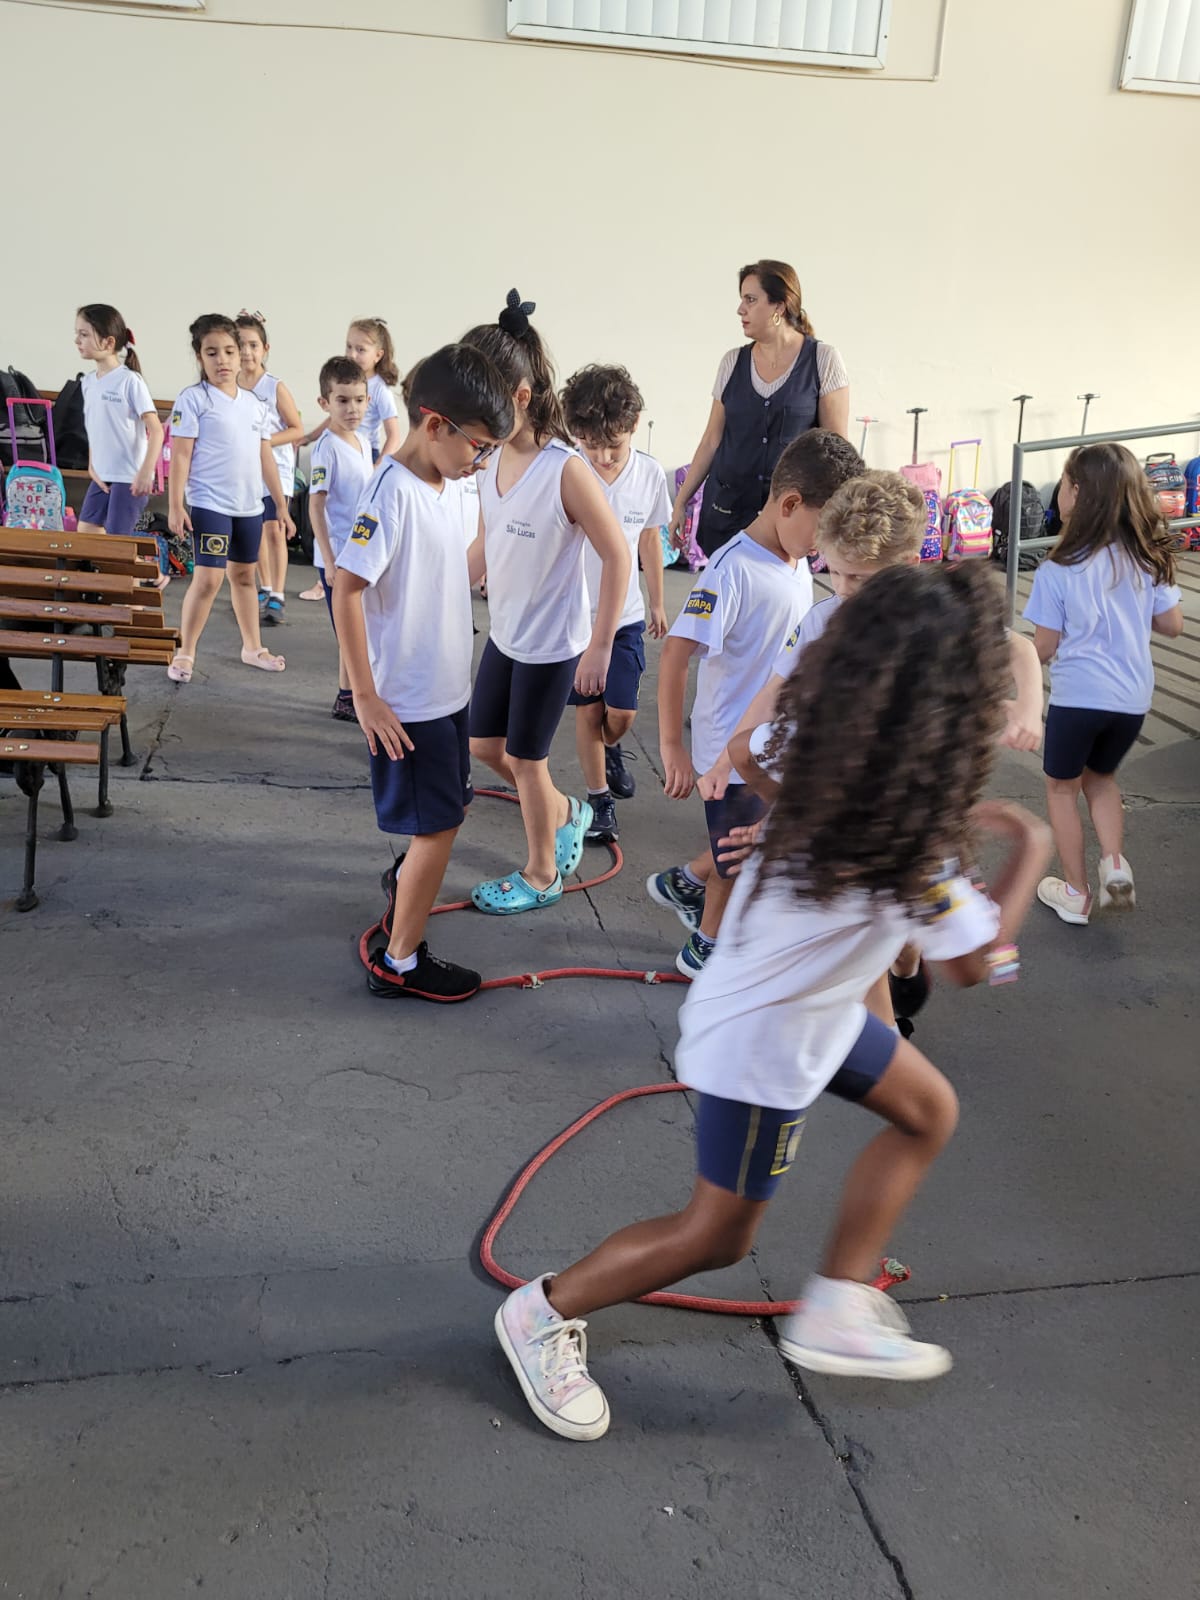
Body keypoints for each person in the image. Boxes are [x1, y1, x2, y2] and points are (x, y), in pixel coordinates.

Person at [493, 562, 1051, 1442]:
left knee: (928, 1111)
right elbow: (980, 967)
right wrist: (1031, 846)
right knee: (717, 1237)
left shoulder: (829, 751)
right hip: (765, 1041)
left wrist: (786, 819)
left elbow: (752, 752)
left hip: (805, 1010)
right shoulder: (912, 844)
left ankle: (838, 1302)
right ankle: (541, 1312)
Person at [730, 470, 1046, 1031]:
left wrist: (1028, 708)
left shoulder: (933, 620)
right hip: (867, 802)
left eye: (859, 577)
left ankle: (903, 971)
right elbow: (768, 704)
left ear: (906, 563)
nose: (843, 589)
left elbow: (1017, 646)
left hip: (901, 796)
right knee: (888, 921)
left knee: (896, 918)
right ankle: (893, 995)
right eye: (834, 572)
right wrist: (1033, 846)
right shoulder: (826, 620)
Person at [333, 344, 513, 1002]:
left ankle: (405, 891)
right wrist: (365, 695)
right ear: (435, 424)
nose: (481, 461)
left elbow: (442, 571)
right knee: (438, 826)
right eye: (479, 446)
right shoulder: (391, 493)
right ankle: (399, 962)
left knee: (446, 813)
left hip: (447, 690)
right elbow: (346, 589)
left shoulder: (446, 484)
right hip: (410, 702)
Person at [648, 429, 863, 976]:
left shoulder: (796, 561)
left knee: (757, 842)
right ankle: (705, 946)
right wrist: (672, 746)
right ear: (790, 504)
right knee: (740, 857)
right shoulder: (732, 569)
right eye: (823, 528)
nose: (826, 546)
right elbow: (675, 653)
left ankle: (687, 882)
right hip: (733, 750)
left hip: (775, 744)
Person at [460, 290, 631, 915]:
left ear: (520, 397)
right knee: (484, 746)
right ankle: (564, 810)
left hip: (553, 645)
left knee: (526, 760)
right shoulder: (490, 460)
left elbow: (617, 556)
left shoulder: (565, 469)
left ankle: (541, 875)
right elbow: (485, 542)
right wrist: (440, 594)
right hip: (507, 633)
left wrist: (601, 646)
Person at [1023, 440, 1183, 924]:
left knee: (1061, 789)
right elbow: (1172, 624)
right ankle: (1114, 863)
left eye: (1063, 483)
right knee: (1102, 779)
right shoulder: (1148, 559)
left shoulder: (1057, 570)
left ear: (1077, 492)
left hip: (1078, 699)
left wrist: (1008, 663)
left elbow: (1044, 648)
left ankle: (1076, 892)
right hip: (1132, 700)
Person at [669, 260, 850, 558]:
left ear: (779, 305)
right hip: (726, 516)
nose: (740, 309)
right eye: (742, 299)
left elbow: (836, 452)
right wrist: (680, 503)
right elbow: (711, 440)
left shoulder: (823, 360)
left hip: (788, 523)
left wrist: (831, 519)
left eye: (750, 299)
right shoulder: (732, 362)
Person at [560, 363, 670, 843]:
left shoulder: (649, 474)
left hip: (625, 616)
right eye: (591, 446)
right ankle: (599, 799)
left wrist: (658, 601)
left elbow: (649, 539)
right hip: (576, 619)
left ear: (635, 424)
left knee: (620, 713)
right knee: (587, 710)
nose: (603, 457)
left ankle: (609, 748)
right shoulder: (567, 470)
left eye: (615, 446)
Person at [166, 314, 294, 683]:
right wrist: (176, 505)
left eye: (229, 351)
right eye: (211, 353)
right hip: (211, 505)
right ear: (199, 357)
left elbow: (265, 456)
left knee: (244, 577)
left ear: (241, 356)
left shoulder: (255, 404)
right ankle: (185, 651)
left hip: (250, 507)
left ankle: (252, 647)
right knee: (208, 580)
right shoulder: (193, 399)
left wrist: (281, 506)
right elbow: (181, 456)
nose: (221, 360)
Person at [308, 356, 372, 721]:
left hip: (360, 553)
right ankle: (348, 697)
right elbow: (316, 506)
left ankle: (349, 694)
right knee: (350, 633)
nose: (352, 409)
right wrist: (329, 562)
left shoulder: (363, 440)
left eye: (359, 400)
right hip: (338, 556)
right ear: (325, 403)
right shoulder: (326, 448)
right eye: (343, 400)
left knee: (358, 628)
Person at [74, 303, 165, 560]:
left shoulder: (129, 381)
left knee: (118, 544)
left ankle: (143, 580)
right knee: (87, 530)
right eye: (77, 334)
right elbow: (96, 428)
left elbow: (156, 430)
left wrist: (145, 472)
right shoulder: (88, 382)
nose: (77, 340)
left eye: (84, 334)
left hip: (129, 476)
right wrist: (92, 465)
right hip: (102, 475)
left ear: (108, 341)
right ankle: (141, 573)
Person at [234, 312, 304, 627]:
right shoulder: (230, 385)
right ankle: (264, 587)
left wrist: (264, 442)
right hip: (246, 470)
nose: (246, 352)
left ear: (265, 349)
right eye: (240, 345)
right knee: (257, 529)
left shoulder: (274, 387)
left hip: (277, 468)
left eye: (253, 345)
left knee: (275, 529)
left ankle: (278, 593)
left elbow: (296, 429)